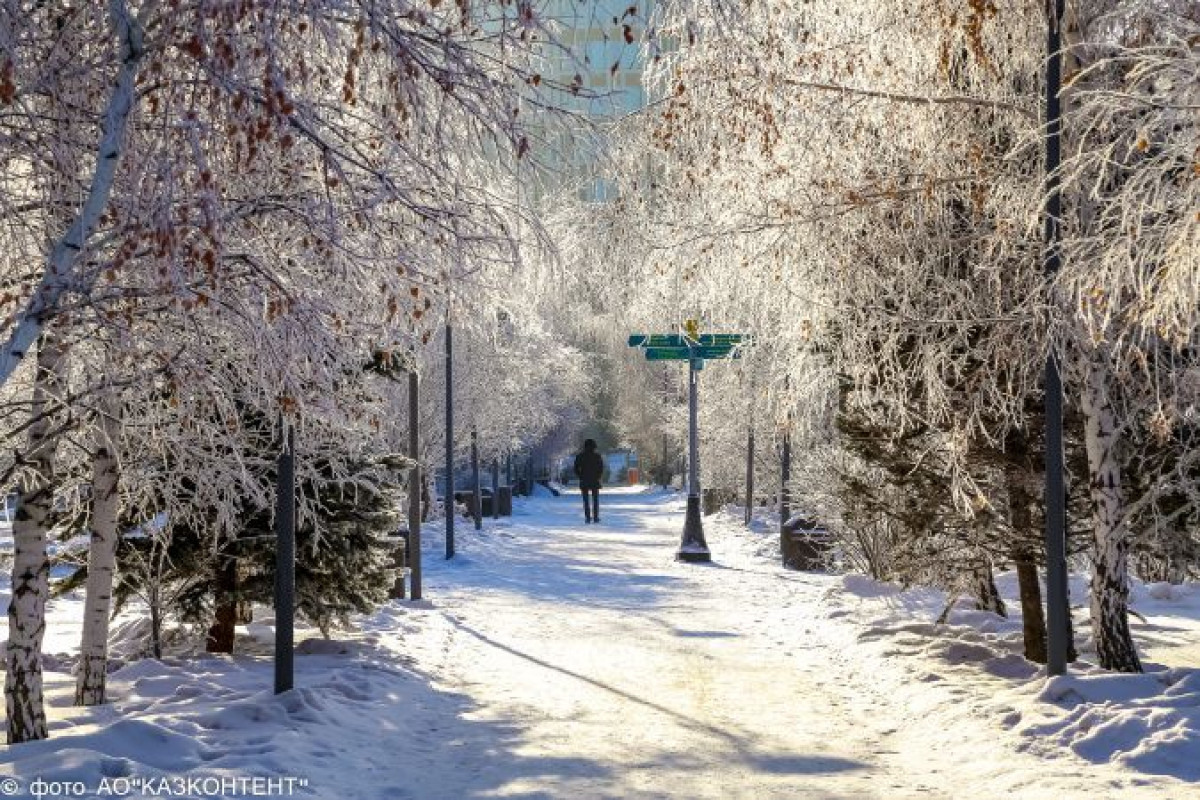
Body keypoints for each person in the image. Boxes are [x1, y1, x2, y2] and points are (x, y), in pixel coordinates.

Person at [573, 439, 605, 524]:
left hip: (584, 480)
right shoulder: (597, 456)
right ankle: (595, 517)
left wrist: (580, 476)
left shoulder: (580, 456)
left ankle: (587, 518)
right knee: (595, 500)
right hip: (594, 480)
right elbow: (601, 468)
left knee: (586, 500)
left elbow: (576, 468)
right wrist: (598, 476)